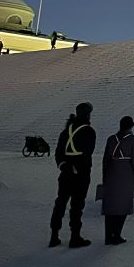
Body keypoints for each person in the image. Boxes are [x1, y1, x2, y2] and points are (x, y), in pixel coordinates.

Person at [49, 102, 96, 248]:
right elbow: (87, 153)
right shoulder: (89, 131)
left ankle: (54, 236)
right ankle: (75, 237)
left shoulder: (66, 131)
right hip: (80, 175)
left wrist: (65, 166)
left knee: (60, 202)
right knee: (77, 206)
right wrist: (77, 168)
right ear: (88, 114)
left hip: (65, 174)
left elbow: (58, 153)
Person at [101, 116, 134, 245]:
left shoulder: (111, 139)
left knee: (110, 207)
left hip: (111, 175)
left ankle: (108, 236)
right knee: (123, 206)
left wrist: (105, 177)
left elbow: (105, 161)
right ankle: (116, 235)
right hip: (126, 175)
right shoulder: (133, 140)